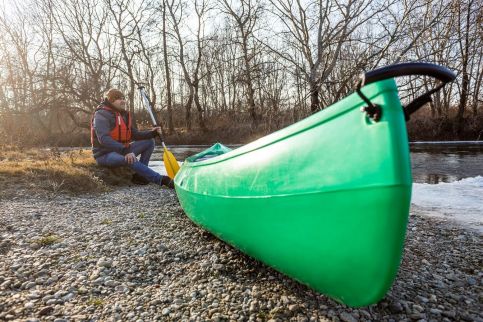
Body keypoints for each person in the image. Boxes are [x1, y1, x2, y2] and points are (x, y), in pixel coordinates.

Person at [91, 88, 174, 188]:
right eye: (118, 99)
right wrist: (125, 150)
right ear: (110, 100)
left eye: (123, 98)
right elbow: (103, 138)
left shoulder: (123, 115)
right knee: (130, 159)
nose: (123, 101)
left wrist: (152, 133)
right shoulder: (100, 114)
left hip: (122, 150)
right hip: (105, 154)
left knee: (149, 142)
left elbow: (134, 134)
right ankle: (162, 180)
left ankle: (140, 176)